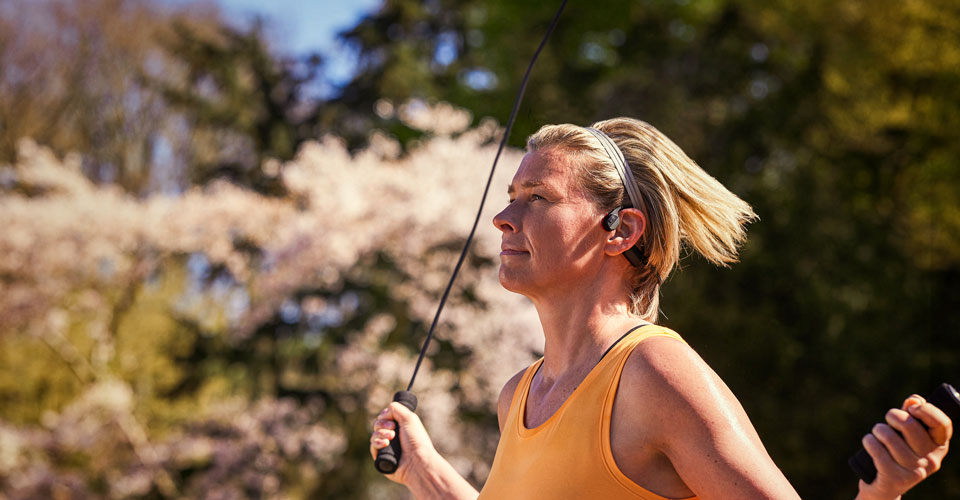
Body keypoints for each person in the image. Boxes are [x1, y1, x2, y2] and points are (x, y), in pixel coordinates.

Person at [369, 117, 953, 499]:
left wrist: (881, 494)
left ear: (619, 229)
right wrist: (422, 469)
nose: (503, 218)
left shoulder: (654, 375)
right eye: (511, 198)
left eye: (538, 198)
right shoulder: (517, 396)